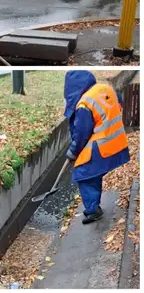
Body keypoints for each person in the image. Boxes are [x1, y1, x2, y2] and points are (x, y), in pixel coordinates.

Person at [63, 71, 130, 224]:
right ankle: (95, 202)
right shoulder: (104, 88)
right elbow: (118, 104)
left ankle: (93, 211)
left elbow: (81, 135)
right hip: (118, 142)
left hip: (103, 147)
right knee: (94, 173)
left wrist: (73, 152)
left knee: (83, 173)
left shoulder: (84, 105)